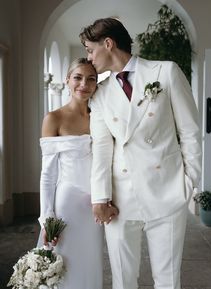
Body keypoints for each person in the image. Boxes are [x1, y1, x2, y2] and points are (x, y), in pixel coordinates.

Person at [79, 18, 202, 289]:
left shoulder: (165, 72)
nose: (89, 57)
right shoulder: (100, 94)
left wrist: (188, 182)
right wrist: (100, 197)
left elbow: (190, 132)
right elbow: (101, 148)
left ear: (108, 44)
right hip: (120, 201)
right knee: (123, 281)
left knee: (168, 280)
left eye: (90, 49)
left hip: (167, 192)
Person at [38, 58, 116, 289]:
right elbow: (47, 176)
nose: (84, 84)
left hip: (94, 203)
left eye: (91, 78)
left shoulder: (101, 116)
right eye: (78, 77)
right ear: (67, 80)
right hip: (67, 203)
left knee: (90, 262)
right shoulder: (54, 118)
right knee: (64, 262)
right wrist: (46, 219)